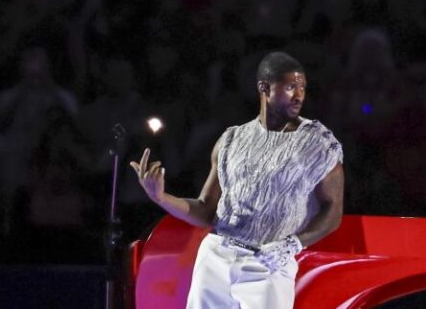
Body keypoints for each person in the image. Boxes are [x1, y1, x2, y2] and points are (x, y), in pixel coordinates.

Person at [130, 51, 344, 309]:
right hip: (217, 256)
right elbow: (207, 209)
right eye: (289, 87)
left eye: (302, 88)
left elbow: (333, 211)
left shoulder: (318, 143)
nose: (299, 95)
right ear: (264, 87)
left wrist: (294, 243)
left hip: (268, 263)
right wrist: (161, 197)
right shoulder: (231, 140)